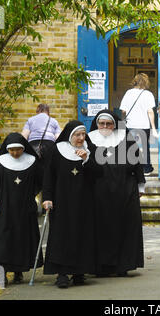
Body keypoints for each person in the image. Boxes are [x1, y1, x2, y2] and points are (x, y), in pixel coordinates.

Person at [42, 120, 101, 288]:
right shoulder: (56, 150)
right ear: (70, 135)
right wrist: (47, 197)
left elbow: (99, 173)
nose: (81, 138)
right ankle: (62, 273)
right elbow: (48, 176)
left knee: (83, 235)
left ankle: (79, 272)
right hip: (62, 201)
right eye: (77, 135)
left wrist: (86, 159)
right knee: (62, 235)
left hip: (85, 201)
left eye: (83, 134)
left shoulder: (90, 150)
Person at [88, 109, 145, 277]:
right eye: (101, 124)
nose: (105, 127)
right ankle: (102, 266)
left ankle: (123, 265)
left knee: (125, 227)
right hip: (99, 192)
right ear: (97, 124)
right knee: (101, 228)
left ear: (115, 124)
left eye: (109, 124)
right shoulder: (90, 140)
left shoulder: (125, 138)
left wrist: (141, 185)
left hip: (125, 190)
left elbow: (137, 162)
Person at [0, 132, 44, 285]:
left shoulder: (32, 162)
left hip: (25, 208)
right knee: (3, 240)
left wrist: (31, 194)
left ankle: (19, 272)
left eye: (18, 149)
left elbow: (40, 181)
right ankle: (2, 273)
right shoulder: (1, 162)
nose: (15, 153)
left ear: (23, 148)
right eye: (12, 150)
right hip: (5, 207)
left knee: (22, 239)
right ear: (7, 149)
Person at [120, 73, 158, 175]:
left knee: (130, 146)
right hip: (144, 125)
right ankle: (146, 169)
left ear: (135, 81)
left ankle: (131, 168)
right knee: (145, 147)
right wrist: (153, 128)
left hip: (131, 124)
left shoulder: (128, 93)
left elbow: (123, 110)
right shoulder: (148, 94)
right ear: (146, 82)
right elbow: (150, 111)